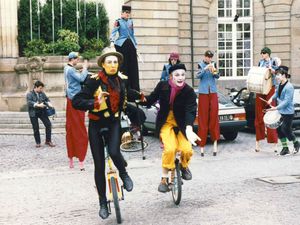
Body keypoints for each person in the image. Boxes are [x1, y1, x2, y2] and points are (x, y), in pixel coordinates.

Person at [72, 47, 141, 220]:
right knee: (99, 166)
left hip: (113, 122)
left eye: (115, 62)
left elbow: (129, 94)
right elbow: (77, 101)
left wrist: (143, 96)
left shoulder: (122, 80)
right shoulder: (93, 81)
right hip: (96, 125)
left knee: (115, 151)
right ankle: (102, 202)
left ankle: (124, 174)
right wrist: (95, 101)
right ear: (103, 64)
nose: (112, 65)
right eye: (109, 62)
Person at [141, 63, 200, 193]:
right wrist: (140, 98)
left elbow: (191, 110)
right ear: (171, 76)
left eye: (183, 75)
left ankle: (184, 166)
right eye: (177, 75)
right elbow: (150, 99)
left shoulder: (189, 91)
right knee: (170, 149)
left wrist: (189, 128)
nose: (180, 77)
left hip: (182, 124)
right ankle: (164, 178)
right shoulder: (163, 87)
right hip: (166, 122)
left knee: (186, 149)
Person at [266, 66, 300, 155]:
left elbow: (287, 101)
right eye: (276, 75)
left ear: (284, 75)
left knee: (286, 129)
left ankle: (296, 143)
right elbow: (276, 93)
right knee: (279, 130)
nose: (277, 77)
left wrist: (276, 108)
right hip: (280, 111)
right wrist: (270, 99)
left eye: (278, 75)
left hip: (288, 112)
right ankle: (285, 148)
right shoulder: (280, 84)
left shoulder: (289, 87)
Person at [64, 52, 89, 171]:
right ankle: (81, 161)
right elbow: (81, 78)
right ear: (72, 59)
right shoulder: (71, 70)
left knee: (71, 128)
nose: (77, 61)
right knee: (79, 129)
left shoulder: (66, 68)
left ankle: (71, 160)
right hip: (76, 100)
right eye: (77, 59)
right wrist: (85, 68)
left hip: (70, 99)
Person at [110, 5, 140, 91]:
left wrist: (136, 46)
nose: (127, 14)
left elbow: (132, 34)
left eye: (129, 13)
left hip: (131, 45)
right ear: (122, 13)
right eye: (126, 12)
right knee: (124, 67)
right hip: (122, 45)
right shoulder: (118, 21)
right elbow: (114, 32)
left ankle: (134, 88)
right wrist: (112, 42)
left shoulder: (131, 22)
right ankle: (124, 87)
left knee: (133, 67)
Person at [196, 50, 220, 157]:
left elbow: (217, 76)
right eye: (208, 57)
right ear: (204, 57)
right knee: (203, 118)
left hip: (213, 92)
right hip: (203, 92)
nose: (209, 59)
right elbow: (198, 76)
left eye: (210, 57)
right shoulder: (200, 65)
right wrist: (205, 69)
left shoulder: (213, 64)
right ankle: (202, 145)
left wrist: (214, 70)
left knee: (214, 116)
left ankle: (215, 142)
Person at [255, 47, 278, 152]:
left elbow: (277, 73)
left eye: (264, 53)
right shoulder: (260, 62)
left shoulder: (273, 61)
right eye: (262, 53)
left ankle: (274, 143)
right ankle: (258, 142)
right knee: (259, 114)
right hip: (261, 87)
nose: (262, 55)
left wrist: (271, 69)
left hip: (270, 88)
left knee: (271, 113)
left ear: (268, 53)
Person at [26, 80, 55, 148]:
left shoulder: (42, 93)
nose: (41, 89)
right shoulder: (29, 94)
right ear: (35, 87)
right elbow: (29, 102)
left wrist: (49, 104)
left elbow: (47, 99)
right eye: (40, 88)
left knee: (48, 124)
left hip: (42, 112)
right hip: (33, 113)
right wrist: (38, 105)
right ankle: (38, 142)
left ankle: (48, 141)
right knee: (36, 128)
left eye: (42, 88)